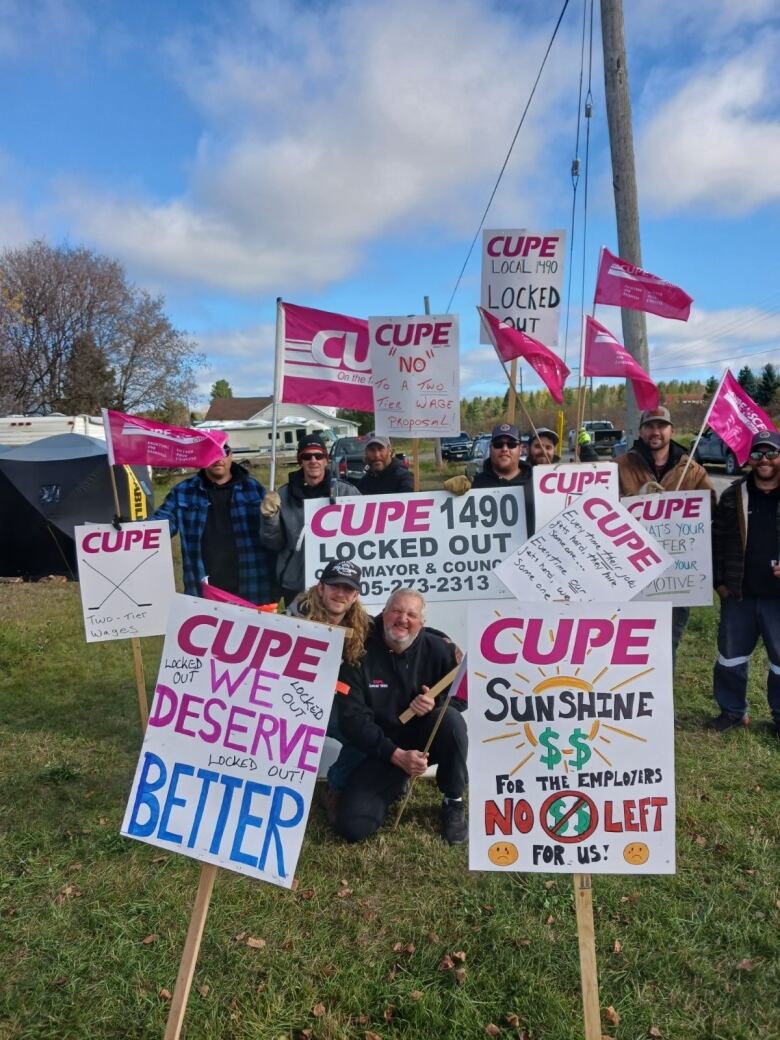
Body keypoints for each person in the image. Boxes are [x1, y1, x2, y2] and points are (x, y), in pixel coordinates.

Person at [334, 589, 468, 845]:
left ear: (422, 622)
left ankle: (453, 801)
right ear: (384, 613)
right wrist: (396, 756)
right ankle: (398, 780)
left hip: (425, 740)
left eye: (411, 614)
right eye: (396, 611)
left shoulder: (440, 648)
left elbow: (463, 694)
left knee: (450, 720)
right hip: (383, 749)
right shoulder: (358, 652)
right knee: (353, 827)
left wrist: (435, 703)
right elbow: (352, 721)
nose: (402, 619)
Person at [616, 406, 715, 665]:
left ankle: (662, 701)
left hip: (676, 574)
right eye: (649, 426)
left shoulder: (692, 469)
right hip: (632, 571)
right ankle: (634, 697)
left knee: (668, 640)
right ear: (641, 431)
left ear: (671, 430)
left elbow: (711, 513)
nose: (655, 431)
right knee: (631, 639)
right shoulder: (620, 466)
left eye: (661, 426)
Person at [287, 559, 374, 818]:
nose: (340, 594)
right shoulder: (291, 618)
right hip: (289, 701)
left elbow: (392, 628)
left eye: (347, 589)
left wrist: (442, 640)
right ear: (321, 587)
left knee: (364, 737)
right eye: (334, 586)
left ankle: (334, 788)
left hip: (332, 703)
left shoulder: (362, 623)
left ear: (355, 596)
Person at [709, 430, 780, 735]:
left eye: (771, 454)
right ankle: (733, 711)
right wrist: (720, 583)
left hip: (777, 598)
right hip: (739, 594)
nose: (763, 460)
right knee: (730, 656)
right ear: (748, 459)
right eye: (757, 454)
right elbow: (716, 541)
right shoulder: (733, 494)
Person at [152, 443, 273, 604]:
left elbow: (273, 534)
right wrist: (128, 528)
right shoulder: (183, 491)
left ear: (231, 455)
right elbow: (160, 525)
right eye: (211, 452)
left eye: (223, 452)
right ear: (202, 457)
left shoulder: (253, 489)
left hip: (250, 585)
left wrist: (274, 513)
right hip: (203, 589)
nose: (218, 458)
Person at [259, 433, 360, 605]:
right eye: (307, 456)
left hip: (338, 583)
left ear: (326, 460)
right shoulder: (282, 495)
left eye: (319, 455)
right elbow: (273, 543)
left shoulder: (347, 493)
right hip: (296, 582)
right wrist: (269, 518)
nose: (313, 460)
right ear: (300, 461)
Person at [444, 422, 534, 533]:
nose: (504, 449)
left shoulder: (536, 483)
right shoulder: (474, 486)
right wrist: (448, 494)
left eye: (511, 444)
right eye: (498, 444)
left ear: (520, 449)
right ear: (491, 448)